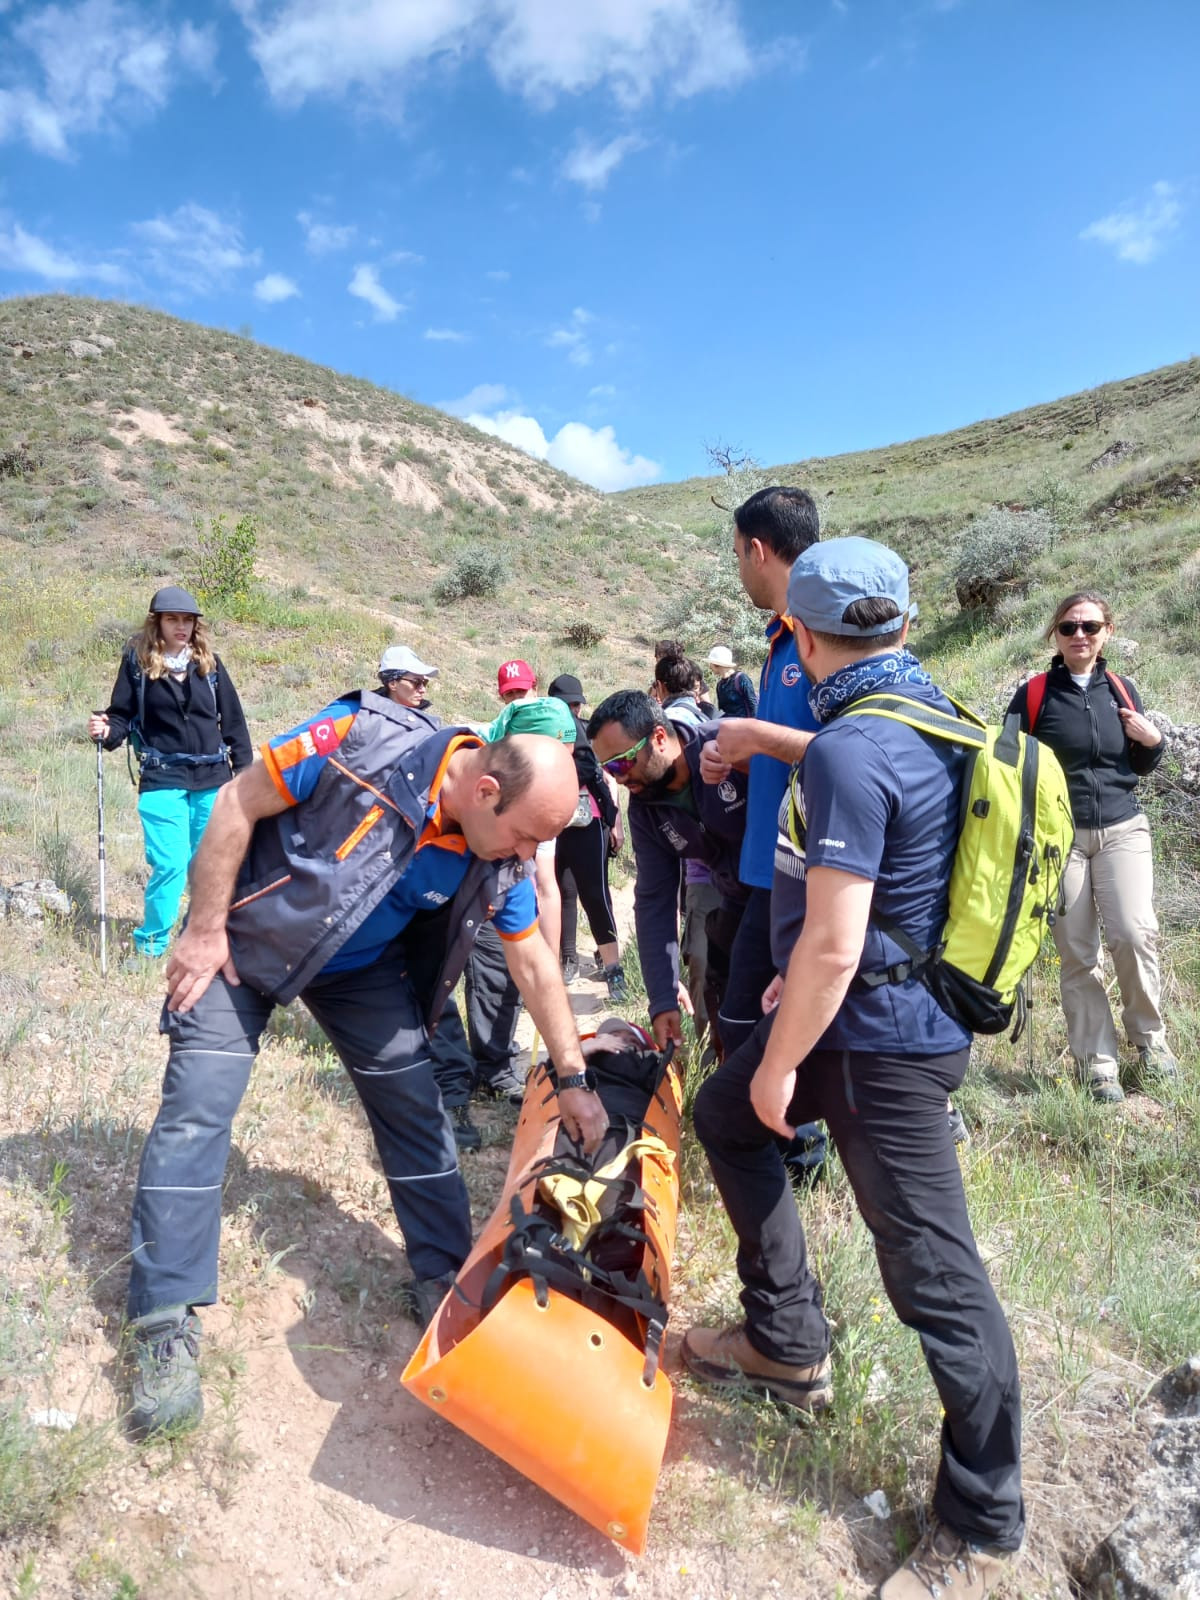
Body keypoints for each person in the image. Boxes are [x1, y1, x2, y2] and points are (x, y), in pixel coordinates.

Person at [123, 687, 607, 1441]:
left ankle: (445, 1281)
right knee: (198, 1107)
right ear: (485, 790)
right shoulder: (356, 740)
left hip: (360, 972)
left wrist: (573, 1079)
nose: (525, 860)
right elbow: (234, 803)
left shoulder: (497, 859)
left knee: (416, 1104)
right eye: (520, 839)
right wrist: (203, 928)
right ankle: (162, 1322)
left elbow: (536, 965)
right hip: (248, 942)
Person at [685, 538, 1024, 1600]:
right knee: (724, 1118)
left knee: (934, 1274)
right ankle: (787, 1343)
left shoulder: (846, 748)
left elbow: (834, 940)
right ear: (906, 626)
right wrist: (801, 996)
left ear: (801, 632)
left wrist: (784, 1059)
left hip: (883, 1042)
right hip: (878, 1009)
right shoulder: (937, 715)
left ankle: (982, 1520)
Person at [699, 486, 826, 1177]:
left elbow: (856, 751)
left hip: (805, 874)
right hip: (761, 867)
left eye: (737, 555)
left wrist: (755, 737)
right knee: (743, 1014)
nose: (739, 571)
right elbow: (791, 751)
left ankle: (797, 1151)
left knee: (770, 1018)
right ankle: (771, 1145)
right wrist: (739, 753)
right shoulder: (783, 639)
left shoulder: (822, 638)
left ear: (757, 549)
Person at [1007, 592, 1175, 1102]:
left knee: (1134, 933)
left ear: (1107, 631)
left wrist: (1155, 743)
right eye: (1068, 628)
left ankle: (1151, 1043)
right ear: (1055, 636)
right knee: (1078, 952)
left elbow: (1138, 767)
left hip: (1124, 830)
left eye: (1090, 626)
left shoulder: (1122, 689)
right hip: (1063, 841)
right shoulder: (1034, 695)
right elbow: (1008, 767)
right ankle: (1097, 1063)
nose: (1079, 635)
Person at [87, 586, 252, 961]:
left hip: (213, 779)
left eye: (188, 620)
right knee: (171, 863)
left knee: (209, 867)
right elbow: (120, 715)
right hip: (163, 778)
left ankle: (202, 940)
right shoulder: (138, 664)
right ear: (157, 623)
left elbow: (235, 726)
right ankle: (151, 946)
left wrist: (244, 777)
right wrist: (107, 731)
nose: (182, 626)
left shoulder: (209, 665)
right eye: (173, 619)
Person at [588, 690, 749, 1056]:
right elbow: (654, 901)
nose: (618, 777)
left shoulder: (728, 746)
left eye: (622, 763)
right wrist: (662, 998)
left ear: (659, 737)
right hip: (726, 895)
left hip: (785, 894)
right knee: (716, 994)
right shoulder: (645, 809)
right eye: (608, 769)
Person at [376, 642, 486, 1149]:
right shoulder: (367, 727)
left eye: (426, 682)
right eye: (414, 680)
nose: (423, 689)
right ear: (389, 680)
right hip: (382, 879)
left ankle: (452, 1097)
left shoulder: (436, 733)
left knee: (437, 983)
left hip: (435, 876)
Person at [548, 673, 626, 1000]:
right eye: (568, 703)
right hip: (553, 823)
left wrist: (613, 821)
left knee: (595, 894)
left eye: (577, 703)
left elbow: (600, 776)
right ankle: (567, 959)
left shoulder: (584, 731)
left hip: (587, 822)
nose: (573, 709)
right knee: (562, 892)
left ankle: (613, 969)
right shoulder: (542, 729)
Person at [708, 644, 758, 719]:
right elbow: (722, 710)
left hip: (745, 726)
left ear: (716, 664)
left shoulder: (741, 678)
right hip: (729, 727)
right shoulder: (720, 685)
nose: (709, 666)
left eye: (710, 663)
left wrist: (754, 726)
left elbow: (753, 704)